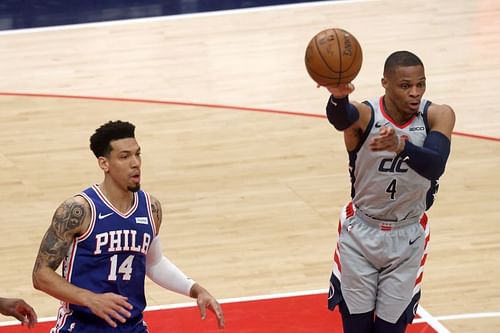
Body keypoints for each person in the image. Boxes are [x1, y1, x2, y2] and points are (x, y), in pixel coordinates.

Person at [32, 120, 225, 332]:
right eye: (125, 157)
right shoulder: (78, 210)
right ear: (104, 163)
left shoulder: (150, 208)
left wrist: (195, 289)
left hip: (132, 327)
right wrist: (89, 299)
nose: (135, 163)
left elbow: (154, 263)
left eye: (137, 154)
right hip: (81, 327)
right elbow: (41, 275)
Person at [322, 51, 455, 333]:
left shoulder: (438, 115)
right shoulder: (367, 115)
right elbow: (341, 117)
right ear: (385, 83)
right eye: (405, 86)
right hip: (361, 233)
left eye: (420, 84)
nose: (415, 93)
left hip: (407, 236)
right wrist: (338, 96)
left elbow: (435, 165)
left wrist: (401, 147)